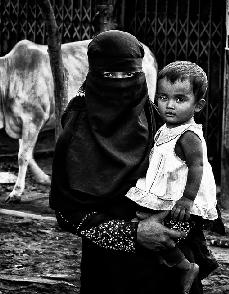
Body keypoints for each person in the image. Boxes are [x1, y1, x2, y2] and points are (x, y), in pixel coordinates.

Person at [49, 30, 218, 294]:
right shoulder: (75, 133)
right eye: (109, 76)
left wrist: (175, 224)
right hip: (110, 270)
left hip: (170, 265)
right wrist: (133, 233)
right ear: (93, 76)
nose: (121, 84)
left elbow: (194, 183)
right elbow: (66, 213)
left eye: (128, 75)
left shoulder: (160, 120)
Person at [125, 60, 219, 293]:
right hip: (163, 195)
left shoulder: (188, 136)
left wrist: (186, 199)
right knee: (141, 223)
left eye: (180, 99)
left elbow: (198, 167)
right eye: (163, 97)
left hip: (179, 202)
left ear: (198, 105)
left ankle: (187, 267)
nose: (169, 105)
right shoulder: (166, 128)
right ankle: (177, 264)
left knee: (164, 235)